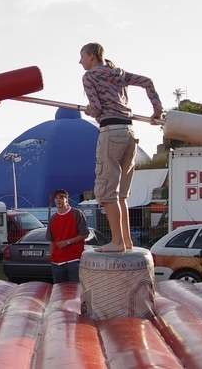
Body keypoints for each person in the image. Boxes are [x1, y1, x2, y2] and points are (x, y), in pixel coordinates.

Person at [79, 42, 163, 253]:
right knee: (121, 195)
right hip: (129, 134)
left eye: (82, 57)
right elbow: (147, 81)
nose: (80, 62)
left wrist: (91, 111)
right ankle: (125, 241)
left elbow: (97, 108)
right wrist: (157, 110)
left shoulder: (90, 77)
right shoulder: (119, 73)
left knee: (107, 192)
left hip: (111, 131)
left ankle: (116, 242)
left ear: (91, 56)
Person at [45, 189, 89, 283]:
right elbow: (52, 241)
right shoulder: (52, 219)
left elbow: (84, 234)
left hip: (74, 260)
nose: (58, 200)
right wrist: (52, 257)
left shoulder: (76, 213)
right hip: (57, 262)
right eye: (56, 198)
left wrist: (68, 242)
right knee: (59, 291)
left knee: (74, 291)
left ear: (67, 200)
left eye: (61, 197)